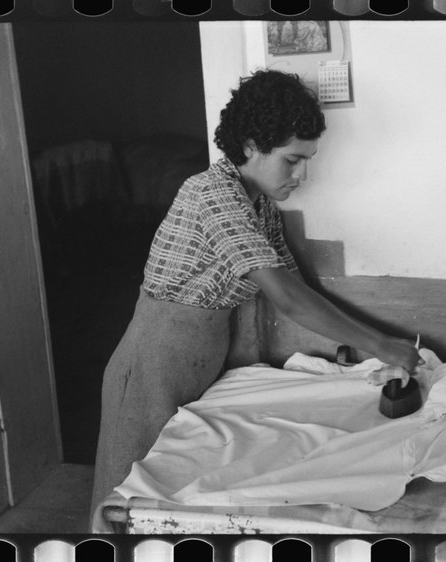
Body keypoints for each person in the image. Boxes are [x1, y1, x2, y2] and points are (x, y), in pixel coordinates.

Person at [90, 69, 421, 521]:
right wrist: (383, 345)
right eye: (291, 160)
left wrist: (364, 348)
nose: (303, 174)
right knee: (129, 502)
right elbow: (284, 297)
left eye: (308, 159)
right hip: (153, 365)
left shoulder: (260, 205)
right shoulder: (210, 193)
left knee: (181, 500)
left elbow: (296, 286)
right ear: (250, 146)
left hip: (202, 356)